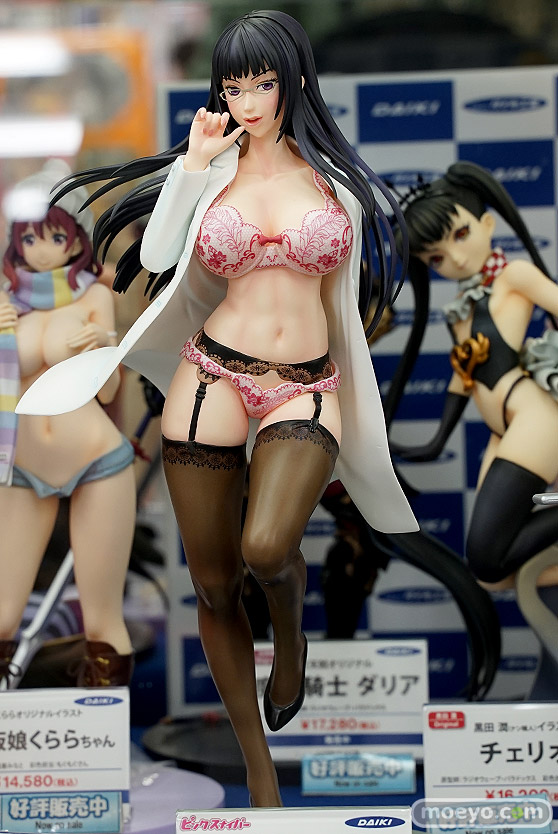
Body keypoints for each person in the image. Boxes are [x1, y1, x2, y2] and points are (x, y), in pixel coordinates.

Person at [17, 11, 417, 806]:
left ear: (294, 80)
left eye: (263, 83)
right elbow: (158, 256)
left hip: (305, 382)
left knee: (268, 549)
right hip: (211, 375)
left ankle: (290, 638)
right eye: (234, 87)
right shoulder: (210, 169)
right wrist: (194, 169)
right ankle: (259, 772)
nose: (249, 101)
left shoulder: (333, 180)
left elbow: (351, 294)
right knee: (213, 585)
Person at [388, 161, 558, 589]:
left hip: (535, 419)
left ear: (487, 224)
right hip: (505, 428)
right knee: (492, 577)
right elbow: (463, 376)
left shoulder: (514, 275)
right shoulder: (460, 309)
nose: (457, 258)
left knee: (487, 557)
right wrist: (437, 441)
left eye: (461, 234)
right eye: (437, 258)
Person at [0, 159, 136, 688]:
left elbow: (109, 392)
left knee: (101, 619)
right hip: (22, 465)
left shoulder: (95, 295)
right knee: (2, 614)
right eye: (30, 237)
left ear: (77, 239)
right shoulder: (5, 300)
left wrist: (105, 347)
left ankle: (100, 725)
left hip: (96, 459)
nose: (42, 249)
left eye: (56, 236)